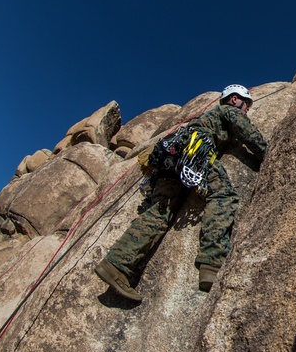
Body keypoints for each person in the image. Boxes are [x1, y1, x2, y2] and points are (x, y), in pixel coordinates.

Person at [94, 84, 267, 302]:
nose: (246, 110)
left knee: (159, 213)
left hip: (171, 160)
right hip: (196, 154)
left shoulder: (202, 118)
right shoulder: (228, 111)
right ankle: (211, 264)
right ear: (234, 100)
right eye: (246, 105)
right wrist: (269, 154)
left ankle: (116, 264)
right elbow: (248, 132)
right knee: (223, 196)